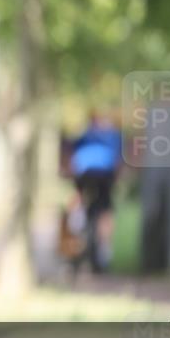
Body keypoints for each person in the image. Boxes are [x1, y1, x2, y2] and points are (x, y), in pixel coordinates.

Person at [67, 110, 123, 272]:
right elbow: (118, 160)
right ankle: (104, 248)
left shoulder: (85, 134)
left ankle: (76, 228)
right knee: (105, 209)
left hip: (85, 174)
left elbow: (72, 154)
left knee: (79, 198)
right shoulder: (113, 135)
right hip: (104, 175)